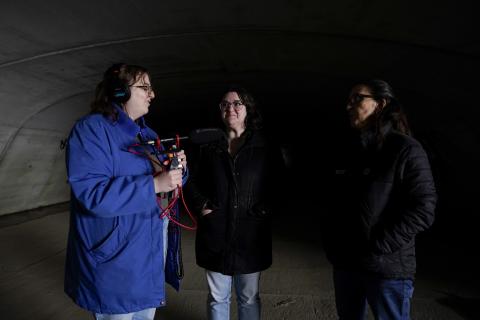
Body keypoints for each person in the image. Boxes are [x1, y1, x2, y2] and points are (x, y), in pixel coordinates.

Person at [64, 63, 188, 320]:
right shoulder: (91, 130)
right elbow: (93, 195)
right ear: (120, 92)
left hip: (148, 253)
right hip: (115, 261)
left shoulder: (148, 134)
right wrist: (154, 185)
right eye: (145, 87)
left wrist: (179, 171)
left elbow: (167, 181)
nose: (152, 94)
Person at [322, 79, 437, 320]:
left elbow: (424, 208)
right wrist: (334, 243)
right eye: (348, 99)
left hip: (386, 269)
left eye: (357, 98)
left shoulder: (405, 149)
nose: (349, 105)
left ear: (380, 103)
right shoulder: (348, 150)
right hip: (347, 264)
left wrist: (380, 245)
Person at [186, 86, 284, 320]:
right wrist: (201, 205)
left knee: (248, 297)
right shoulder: (206, 146)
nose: (231, 108)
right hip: (215, 231)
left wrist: (265, 209)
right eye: (225, 104)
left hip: (251, 233)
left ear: (248, 109)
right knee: (218, 296)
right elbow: (188, 179)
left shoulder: (265, 146)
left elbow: (281, 183)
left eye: (237, 103)